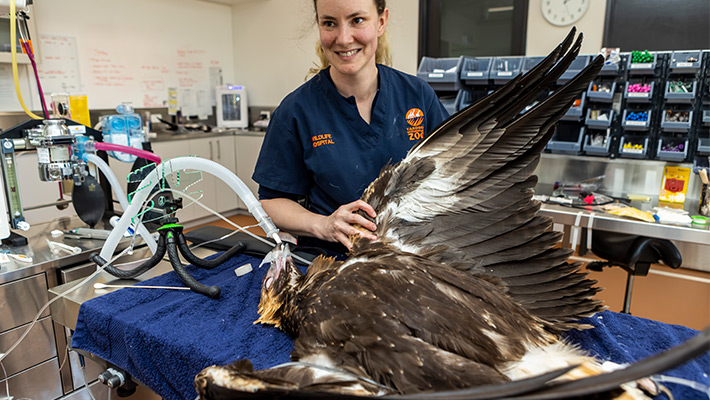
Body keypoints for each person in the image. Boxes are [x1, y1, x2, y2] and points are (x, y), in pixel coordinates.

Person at [252, 0, 449, 255]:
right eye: (330, 23)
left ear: (380, 22)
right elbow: (271, 200)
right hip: (332, 263)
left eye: (357, 20)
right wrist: (322, 225)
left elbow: (453, 171)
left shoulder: (417, 96)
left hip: (414, 256)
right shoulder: (296, 111)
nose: (344, 39)